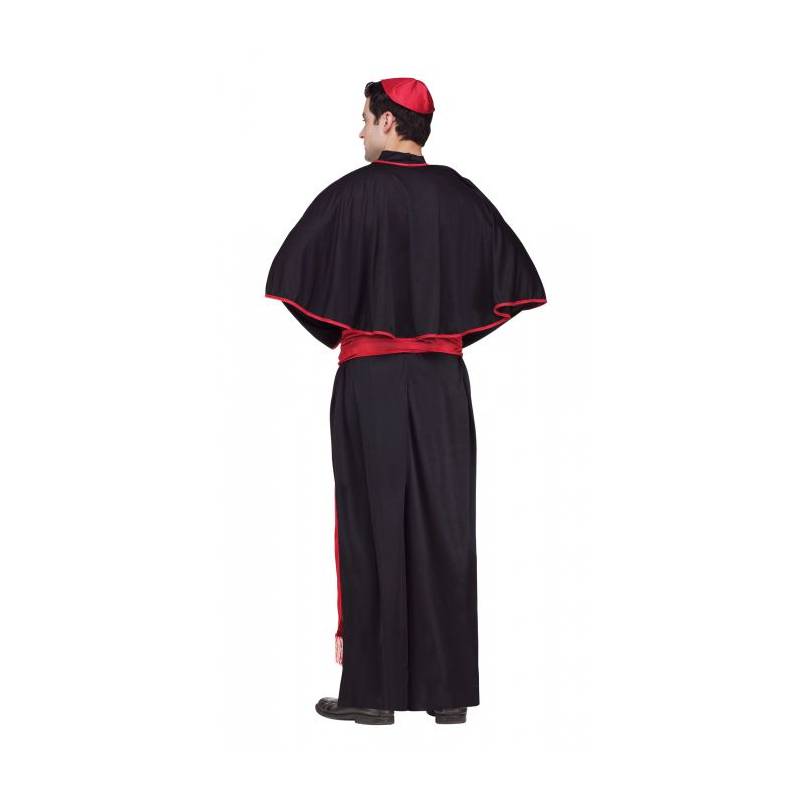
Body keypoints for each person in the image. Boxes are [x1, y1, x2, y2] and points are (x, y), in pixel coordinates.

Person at [264, 77, 547, 725]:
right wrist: (449, 334)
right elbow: (515, 289)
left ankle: (373, 694)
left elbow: (291, 279)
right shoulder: (464, 196)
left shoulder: (349, 195)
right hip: (444, 381)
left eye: (365, 118)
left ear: (389, 122)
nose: (360, 130)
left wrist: (346, 332)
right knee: (446, 528)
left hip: (369, 382)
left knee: (371, 526)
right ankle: (448, 696)